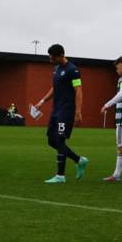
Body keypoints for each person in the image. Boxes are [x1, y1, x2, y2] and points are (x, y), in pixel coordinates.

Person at [34, 44, 88, 184]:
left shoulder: (73, 70)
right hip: (55, 110)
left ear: (60, 56)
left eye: (52, 58)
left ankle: (60, 175)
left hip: (66, 111)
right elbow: (54, 87)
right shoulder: (56, 69)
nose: (50, 60)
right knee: (51, 140)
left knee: (60, 140)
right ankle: (79, 160)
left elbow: (79, 90)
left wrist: (78, 111)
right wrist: (42, 101)